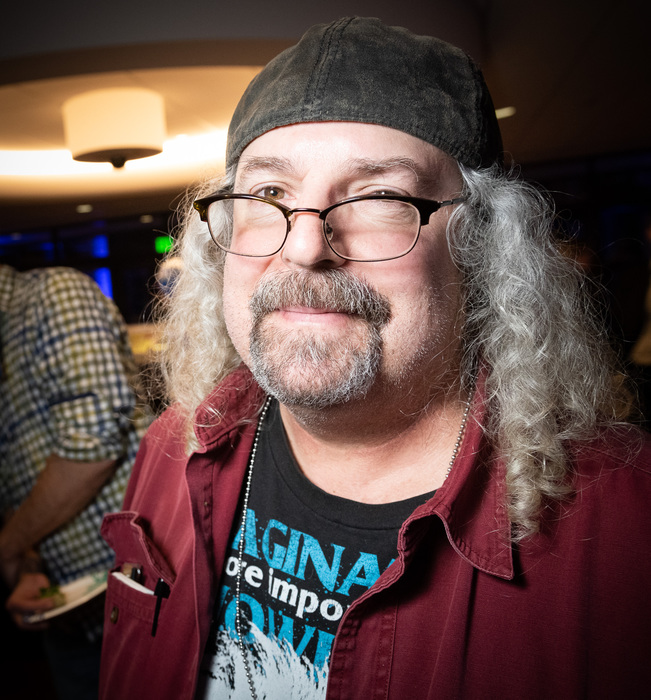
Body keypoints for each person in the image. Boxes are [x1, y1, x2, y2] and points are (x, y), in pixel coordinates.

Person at [98, 17, 651, 700]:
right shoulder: (171, 448)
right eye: (269, 195)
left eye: (378, 197)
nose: (305, 247)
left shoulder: (625, 529)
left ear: (479, 248)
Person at [0, 264, 151, 699]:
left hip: (143, 596)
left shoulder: (53, 295)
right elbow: (17, 479)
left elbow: (93, 445)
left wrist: (7, 547)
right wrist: (28, 568)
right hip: (69, 617)